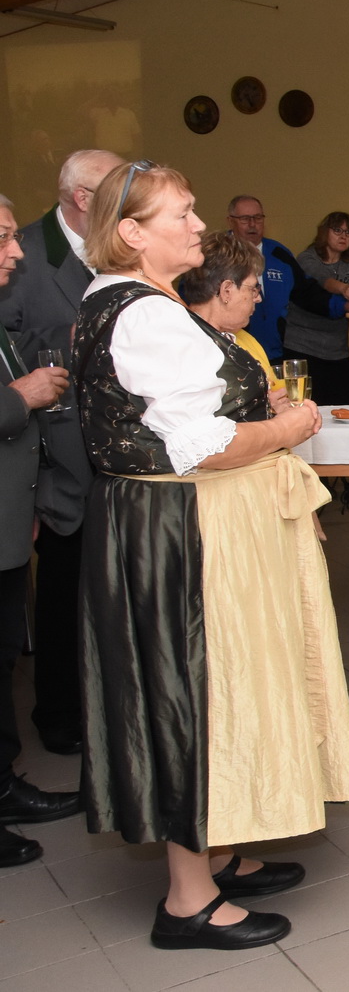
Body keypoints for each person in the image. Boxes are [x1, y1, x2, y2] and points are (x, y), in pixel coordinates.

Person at [73, 161, 349, 951]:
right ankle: (187, 899)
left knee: (203, 683)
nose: (200, 225)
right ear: (133, 233)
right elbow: (204, 445)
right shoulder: (147, 316)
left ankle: (217, 851)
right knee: (188, 689)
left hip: (151, 518)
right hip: (172, 526)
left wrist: (253, 408)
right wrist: (287, 427)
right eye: (183, 213)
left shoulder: (120, 297)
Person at [0, 147, 121, 756]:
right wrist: (67, 340)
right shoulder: (23, 252)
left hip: (114, 449)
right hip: (52, 455)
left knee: (110, 594)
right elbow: (6, 348)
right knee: (62, 593)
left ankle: (108, 707)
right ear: (82, 198)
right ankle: (60, 713)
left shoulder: (117, 245)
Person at [0, 194, 84, 866]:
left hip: (14, 505)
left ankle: (5, 785)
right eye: (3, 238)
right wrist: (18, 398)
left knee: (4, 652)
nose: (16, 249)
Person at [225, 195, 349, 364]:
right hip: (231, 354)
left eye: (257, 218)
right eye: (245, 219)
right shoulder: (217, 255)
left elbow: (306, 292)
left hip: (275, 353)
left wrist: (342, 305)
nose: (252, 224)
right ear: (230, 221)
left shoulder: (279, 253)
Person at [290, 212, 349, 405]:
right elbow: (322, 280)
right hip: (304, 345)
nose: (344, 236)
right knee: (309, 410)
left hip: (337, 348)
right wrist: (344, 288)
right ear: (324, 232)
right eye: (337, 230)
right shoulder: (307, 258)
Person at [180, 233, 279, 386]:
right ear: (226, 290)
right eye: (253, 289)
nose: (258, 298)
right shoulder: (182, 345)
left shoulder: (245, 339)